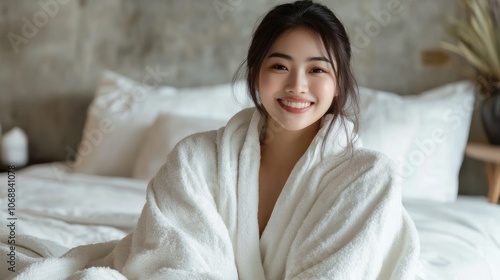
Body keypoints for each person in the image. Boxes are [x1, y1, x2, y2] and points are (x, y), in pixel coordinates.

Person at [9, 1, 419, 279]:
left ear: (339, 82)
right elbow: (172, 260)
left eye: (317, 70)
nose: (297, 86)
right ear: (256, 74)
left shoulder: (368, 176)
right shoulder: (195, 159)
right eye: (280, 65)